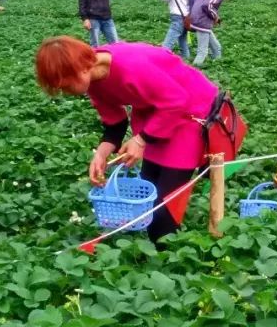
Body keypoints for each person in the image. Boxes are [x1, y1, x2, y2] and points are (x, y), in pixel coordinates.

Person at [35, 36, 239, 244]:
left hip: (191, 113)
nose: (64, 91)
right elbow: (115, 123)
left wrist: (141, 141)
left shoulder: (131, 66)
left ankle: (166, 253)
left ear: (81, 68)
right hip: (156, 113)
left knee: (165, 204)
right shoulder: (94, 81)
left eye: (64, 85)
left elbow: (177, 102)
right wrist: (101, 154)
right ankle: (152, 245)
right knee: (148, 191)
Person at [190, 0, 238, 67]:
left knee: (217, 48)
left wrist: (215, 17)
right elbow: (208, 5)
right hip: (202, 19)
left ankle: (217, 71)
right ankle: (190, 75)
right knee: (202, 52)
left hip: (198, 17)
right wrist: (216, 17)